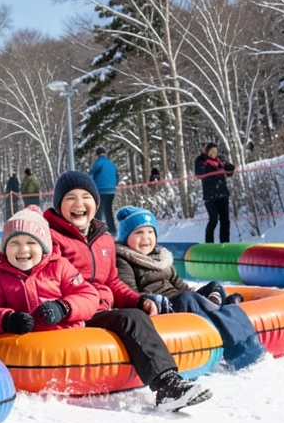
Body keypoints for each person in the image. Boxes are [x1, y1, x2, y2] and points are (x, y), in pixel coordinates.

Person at [44, 171, 211, 410]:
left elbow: (113, 282)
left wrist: (138, 300)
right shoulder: (52, 238)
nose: (79, 204)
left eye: (85, 197)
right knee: (131, 319)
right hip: (74, 312)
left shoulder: (102, 239)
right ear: (59, 204)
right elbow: (50, 281)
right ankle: (166, 385)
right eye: (70, 197)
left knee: (137, 313)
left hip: (102, 309)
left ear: (95, 202)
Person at [115, 207, 264, 370]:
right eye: (138, 233)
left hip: (182, 299)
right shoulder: (124, 260)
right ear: (125, 237)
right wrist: (151, 301)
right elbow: (129, 292)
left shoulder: (161, 258)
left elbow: (179, 285)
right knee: (188, 298)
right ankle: (236, 345)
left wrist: (196, 293)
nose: (146, 238)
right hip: (161, 307)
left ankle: (213, 308)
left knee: (213, 286)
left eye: (150, 232)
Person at [0, 205, 99, 335]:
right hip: (26, 347)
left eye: (31, 243)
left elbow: (89, 296)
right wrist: (7, 320)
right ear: (4, 250)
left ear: (44, 248)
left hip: (65, 340)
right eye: (14, 243)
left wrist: (63, 308)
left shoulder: (60, 267)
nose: (23, 249)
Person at [195, 143, 235, 244]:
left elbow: (229, 171)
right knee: (213, 220)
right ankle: (209, 244)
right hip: (210, 196)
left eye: (215, 152)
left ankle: (225, 243)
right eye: (211, 152)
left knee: (225, 220)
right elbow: (199, 173)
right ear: (207, 152)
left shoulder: (220, 160)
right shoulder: (201, 160)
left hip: (222, 193)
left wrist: (230, 168)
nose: (214, 154)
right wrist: (216, 170)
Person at [90, 146, 119, 234]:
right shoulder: (111, 164)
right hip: (111, 190)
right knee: (108, 210)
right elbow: (117, 176)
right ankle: (112, 228)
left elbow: (92, 173)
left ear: (97, 155)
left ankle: (97, 230)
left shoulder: (98, 162)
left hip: (101, 189)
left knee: (98, 209)